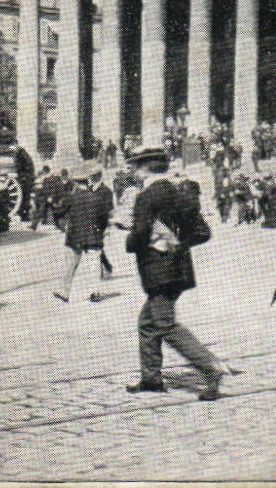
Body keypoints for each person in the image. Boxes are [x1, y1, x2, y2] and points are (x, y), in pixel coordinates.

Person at [123, 142, 224, 399]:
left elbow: (139, 236)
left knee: (165, 324)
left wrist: (131, 239)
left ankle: (210, 367)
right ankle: (151, 378)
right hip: (179, 270)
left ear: (144, 169)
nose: (132, 171)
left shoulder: (147, 196)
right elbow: (203, 232)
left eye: (134, 167)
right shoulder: (178, 191)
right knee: (147, 323)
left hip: (159, 271)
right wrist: (177, 245)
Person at [56, 172, 114, 303]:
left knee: (70, 265)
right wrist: (100, 231)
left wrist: (64, 225)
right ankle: (94, 292)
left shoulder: (70, 198)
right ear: (87, 183)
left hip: (75, 236)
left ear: (76, 184)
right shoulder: (97, 198)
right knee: (93, 265)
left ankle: (64, 292)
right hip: (93, 235)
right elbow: (104, 219)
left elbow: (58, 212)